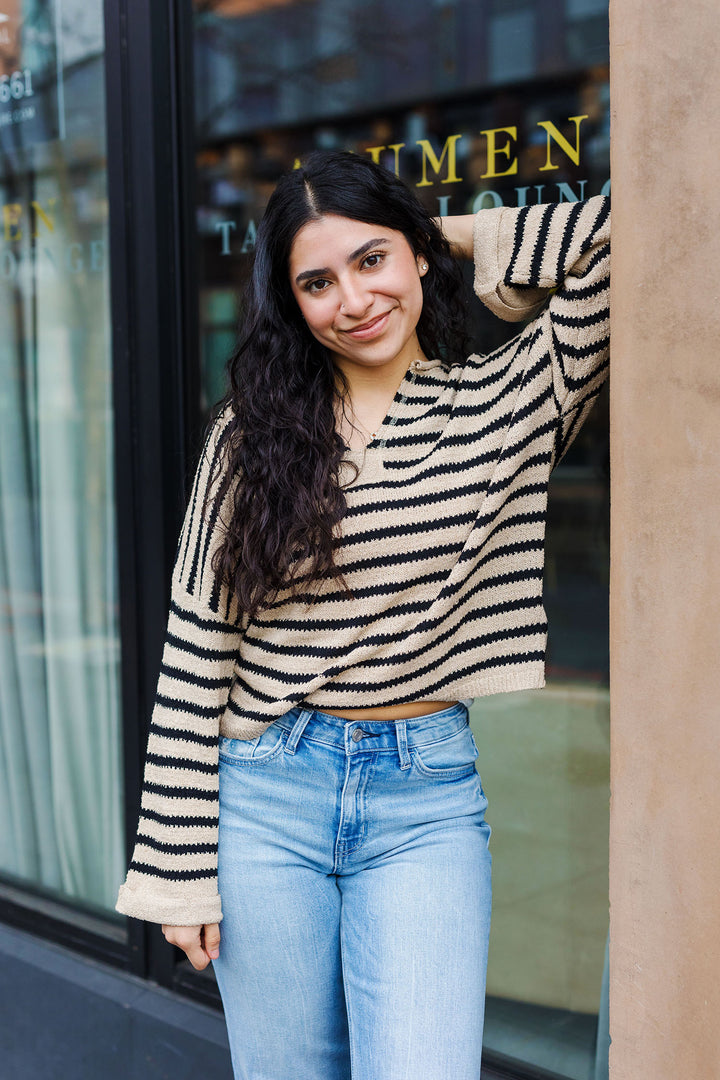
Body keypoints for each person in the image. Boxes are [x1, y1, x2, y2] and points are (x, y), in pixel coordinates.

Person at [115, 150, 610, 1080]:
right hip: (265, 795)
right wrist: (176, 865)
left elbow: (634, 229)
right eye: (316, 281)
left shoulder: (508, 400)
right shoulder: (252, 432)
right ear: (290, 302)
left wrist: (446, 233)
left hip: (424, 802)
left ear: (417, 256)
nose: (352, 299)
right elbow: (196, 645)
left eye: (372, 260)